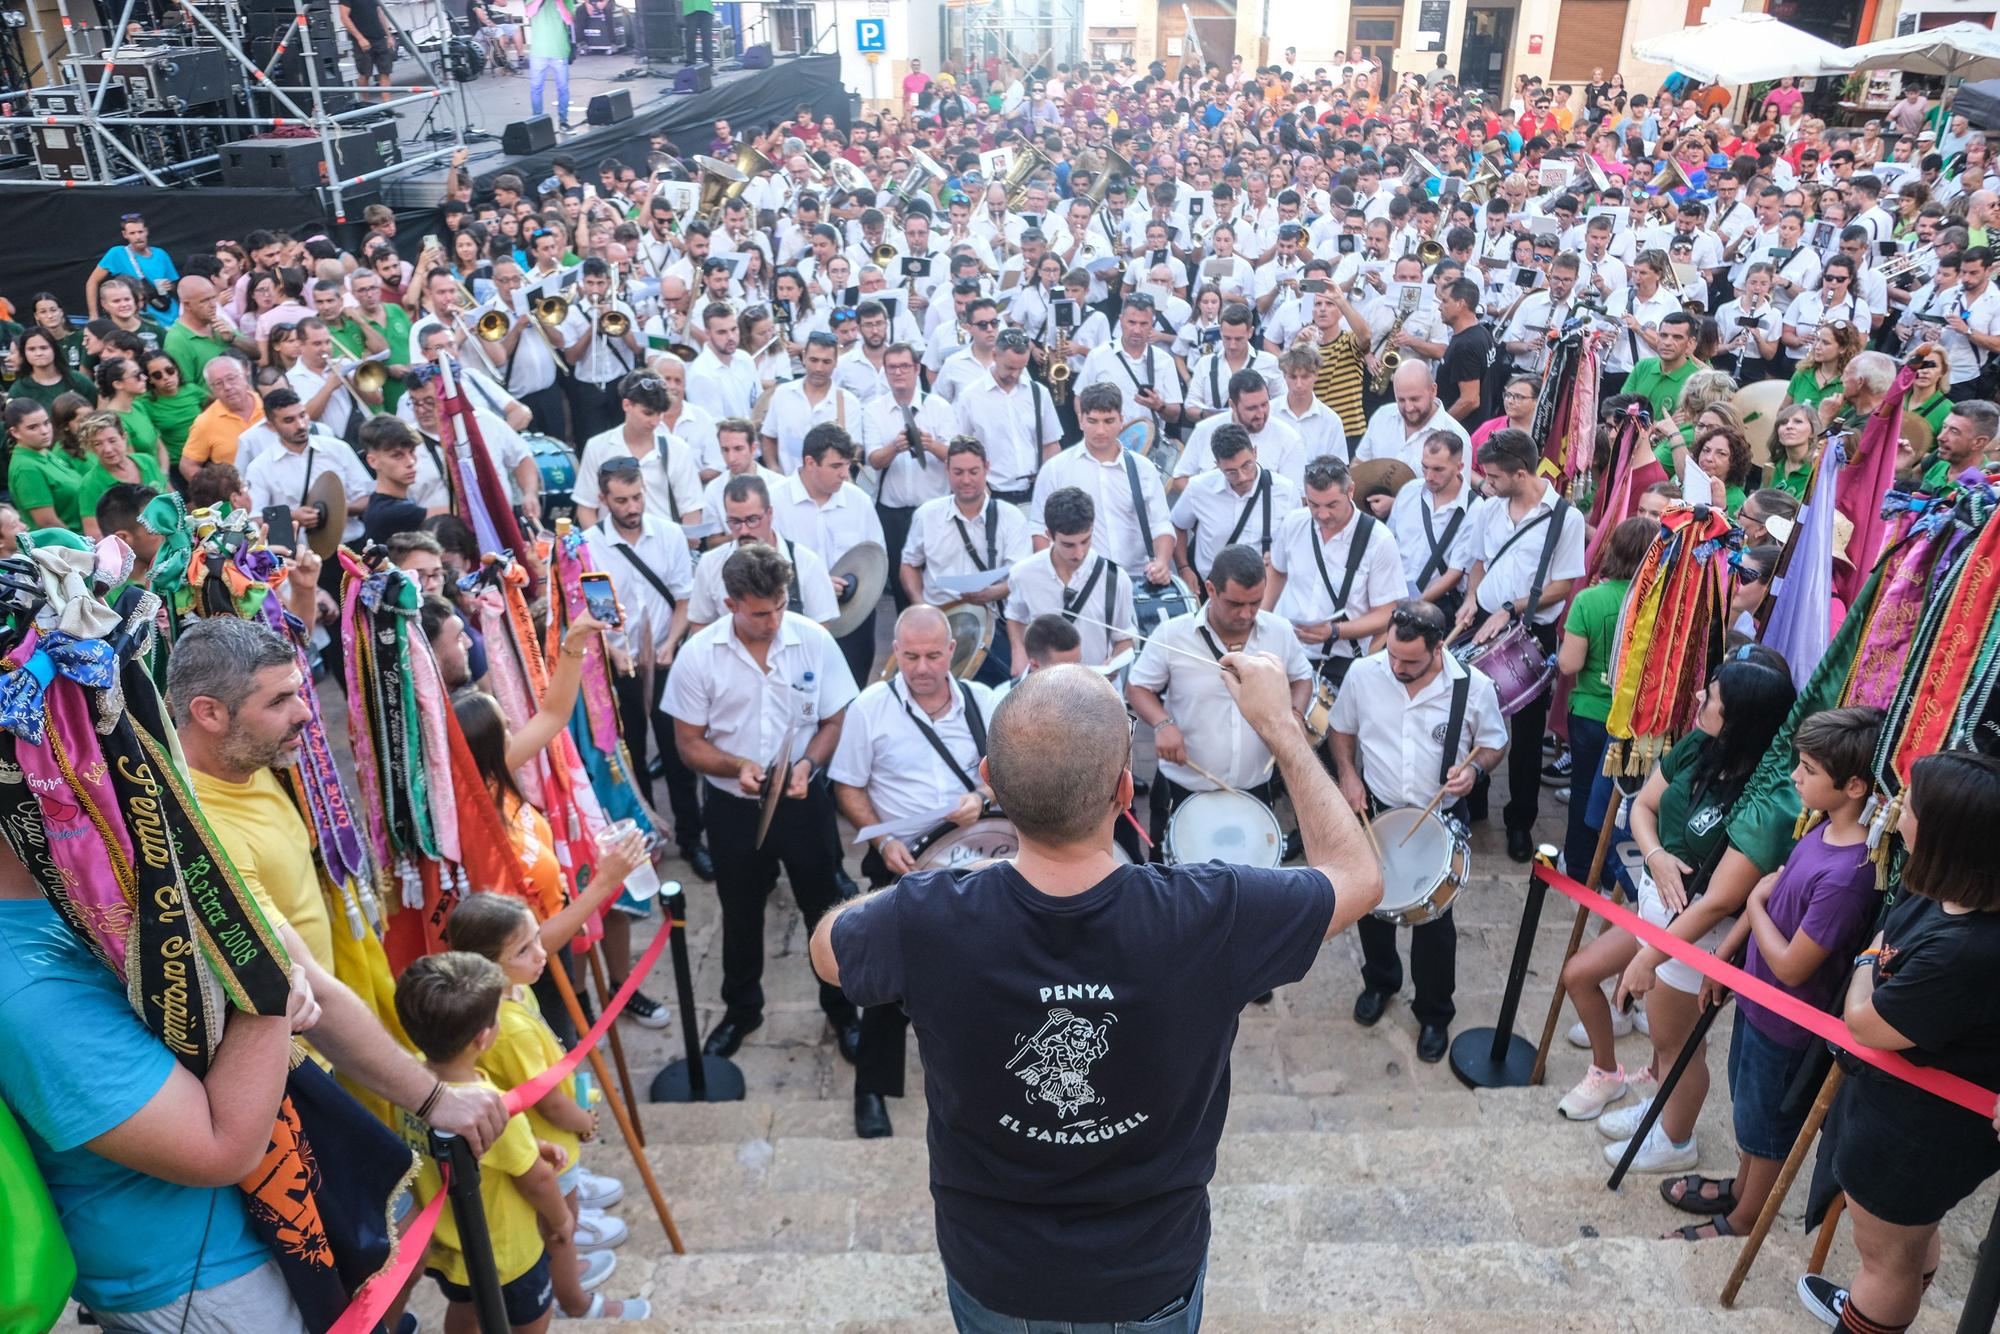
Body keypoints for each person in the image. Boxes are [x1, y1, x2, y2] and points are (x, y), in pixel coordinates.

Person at [808, 646, 1383, 1332]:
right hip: (1149, 1272)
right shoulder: (1210, 914)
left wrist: (926, 893)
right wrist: (1282, 727)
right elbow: (1359, 876)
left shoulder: (927, 917)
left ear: (991, 780)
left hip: (995, 1271)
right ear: (1122, 790)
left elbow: (827, 952)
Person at [1563, 652, 1795, 1162]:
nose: (1698, 699)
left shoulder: (1766, 800)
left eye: (1711, 697)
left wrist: (1650, 957)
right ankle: (1661, 1113)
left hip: (1693, 937)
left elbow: (1719, 902)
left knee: (1674, 1044)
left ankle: (1676, 1139)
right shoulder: (1700, 745)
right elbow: (1643, 805)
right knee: (1656, 1032)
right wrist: (1657, 855)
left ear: (1742, 719)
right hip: (1656, 910)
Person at [1662, 706, 1884, 1243]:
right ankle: (1742, 1188)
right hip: (1758, 1001)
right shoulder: (1824, 828)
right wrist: (1729, 963)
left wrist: (1754, 902)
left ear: (1853, 784)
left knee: (1766, 1130)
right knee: (1748, 1110)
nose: (1794, 777)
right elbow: (1781, 892)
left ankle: (1741, 1220)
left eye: (1808, 769)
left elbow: (1791, 962)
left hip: (1786, 1022)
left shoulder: (1849, 875)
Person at [1799, 752, 2000, 1332]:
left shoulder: (1963, 952)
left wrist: (1867, 959)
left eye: (1908, 805)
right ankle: (1876, 1314)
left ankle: (1872, 1315)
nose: (1894, 810)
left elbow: (1863, 1019)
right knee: (1905, 1248)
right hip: (1901, 1111)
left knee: (1887, 1262)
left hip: (1918, 1135)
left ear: (1946, 838)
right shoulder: (1950, 888)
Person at [662, 542, 860, 1061]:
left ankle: (843, 1012)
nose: (772, 621)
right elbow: (688, 743)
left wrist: (808, 765)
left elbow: (836, 719)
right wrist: (737, 767)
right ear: (730, 605)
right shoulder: (698, 655)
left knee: (826, 911)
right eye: (759, 613)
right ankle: (741, 1009)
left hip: (802, 803)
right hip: (733, 808)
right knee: (741, 913)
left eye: (779, 607)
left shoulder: (813, 640)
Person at [828, 606, 1001, 1139]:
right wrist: (882, 838)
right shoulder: (870, 709)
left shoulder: (984, 702)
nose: (922, 668)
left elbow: (1009, 773)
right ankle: (873, 1090)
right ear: (894, 653)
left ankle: (982, 1086)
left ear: (953, 651)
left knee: (981, 976)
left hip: (977, 861)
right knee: (888, 979)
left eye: (932, 655)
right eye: (910, 656)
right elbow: (848, 787)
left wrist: (981, 795)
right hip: (901, 862)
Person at [444, 894, 652, 1319]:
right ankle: (574, 1300)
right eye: (523, 950)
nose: (541, 954)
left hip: (544, 1137)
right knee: (561, 1226)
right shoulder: (512, 1029)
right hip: (552, 1144)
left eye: (538, 939)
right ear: (485, 964)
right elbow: (551, 1104)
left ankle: (564, 1274)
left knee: (559, 1228)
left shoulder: (514, 991)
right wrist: (585, 1122)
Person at [1331, 598, 1507, 1062]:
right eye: (1392, 654)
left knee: (1433, 921)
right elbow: (1341, 730)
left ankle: (1433, 1012)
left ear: (1437, 648)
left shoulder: (1474, 687)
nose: (1397, 666)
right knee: (1371, 907)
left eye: (1409, 660)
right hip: (1379, 809)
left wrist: (1475, 773)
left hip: (1440, 818)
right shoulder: (1365, 675)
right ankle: (1380, 982)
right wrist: (1348, 775)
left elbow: (1493, 744)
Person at [394, 952, 568, 1333]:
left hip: (448, 1247)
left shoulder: (405, 1083)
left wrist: (531, 1143)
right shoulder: (489, 1107)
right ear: (484, 1036)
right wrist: (561, 1219)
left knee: (467, 1308)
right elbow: (536, 1180)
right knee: (533, 1317)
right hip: (507, 1255)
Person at [1453, 429, 1587, 863]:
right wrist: (1473, 599)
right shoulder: (1489, 509)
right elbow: (1477, 563)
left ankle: (1519, 822)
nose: (1486, 484)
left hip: (1529, 633)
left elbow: (1563, 584)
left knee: (1528, 737)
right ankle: (1473, 802)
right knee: (1471, 722)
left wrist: (1510, 609)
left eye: (1493, 477)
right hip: (1482, 626)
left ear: (1521, 473)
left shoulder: (1564, 517)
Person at [1128, 543, 1313, 851]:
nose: (1247, 614)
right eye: (1236, 603)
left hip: (1255, 785)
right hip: (1184, 786)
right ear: (1210, 590)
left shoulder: (1279, 631)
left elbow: (1302, 677)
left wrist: (1293, 717)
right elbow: (1137, 687)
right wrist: (1162, 724)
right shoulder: (1172, 634)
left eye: (1255, 603)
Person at [582, 455, 708, 888]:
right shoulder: (588, 545)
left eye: (637, 497)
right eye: (621, 500)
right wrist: (615, 653)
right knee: (629, 756)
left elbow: (682, 600)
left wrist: (672, 642)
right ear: (603, 500)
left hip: (665, 659)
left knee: (678, 754)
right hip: (617, 666)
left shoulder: (669, 535)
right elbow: (593, 612)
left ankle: (691, 840)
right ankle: (646, 839)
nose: (632, 507)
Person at [1555, 517, 1654, 897]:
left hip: (1592, 715)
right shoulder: (1658, 603)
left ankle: (1580, 870)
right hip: (1637, 720)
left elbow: (1569, 665)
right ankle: (1614, 873)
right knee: (1627, 797)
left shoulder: (1590, 600)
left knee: (1582, 790)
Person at [1263, 455, 1406, 690]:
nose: (1322, 515)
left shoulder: (1378, 540)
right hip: (1286, 650)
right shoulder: (1293, 522)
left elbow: (1386, 613)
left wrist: (1335, 632)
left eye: (1331, 505)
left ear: (1350, 491)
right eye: (1313, 505)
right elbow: (1277, 572)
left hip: (1342, 661)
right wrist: (1261, 620)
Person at [1029, 382, 1176, 585]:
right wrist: (1054, 579)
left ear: (1121, 421)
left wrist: (1161, 562)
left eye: (1108, 421)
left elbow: (1161, 524)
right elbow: (1039, 529)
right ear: (1080, 421)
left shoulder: (1143, 468)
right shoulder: (1055, 469)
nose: (1100, 430)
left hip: (1135, 579)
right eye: (1092, 421)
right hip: (1077, 580)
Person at [1004, 485, 1136, 668]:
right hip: (1045, 688)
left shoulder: (1116, 579)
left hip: (1097, 689)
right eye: (1068, 545)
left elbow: (1125, 638)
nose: (1079, 553)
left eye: (1085, 541)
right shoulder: (1023, 574)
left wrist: (1114, 664)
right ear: (1049, 534)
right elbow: (1016, 618)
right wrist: (1018, 652)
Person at [570, 368, 705, 529]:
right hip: (612, 547)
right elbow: (586, 508)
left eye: (659, 413)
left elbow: (691, 511)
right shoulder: (597, 447)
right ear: (626, 405)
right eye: (648, 413)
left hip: (665, 546)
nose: (655, 422)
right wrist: (600, 548)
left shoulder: (678, 449)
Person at [1169, 424, 1300, 588]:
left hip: (1267, 594)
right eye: (1231, 472)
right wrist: (1183, 568)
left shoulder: (1286, 491)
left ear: (1255, 452)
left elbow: (1298, 542)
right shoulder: (1198, 488)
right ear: (1217, 464)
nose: (1243, 477)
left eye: (1247, 465)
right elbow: (1177, 525)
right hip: (1213, 592)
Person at [1355, 363, 1469, 471]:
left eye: (1415, 399)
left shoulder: (1458, 435)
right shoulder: (1382, 416)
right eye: (1401, 400)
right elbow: (1358, 465)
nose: (1408, 408)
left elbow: (1457, 490)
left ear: (1433, 391)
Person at [5, 398, 84, 531]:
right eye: (33, 427)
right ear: (15, 432)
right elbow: (48, 523)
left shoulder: (44, 452)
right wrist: (83, 547)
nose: (44, 431)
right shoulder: (26, 468)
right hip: (67, 546)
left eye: (46, 423)